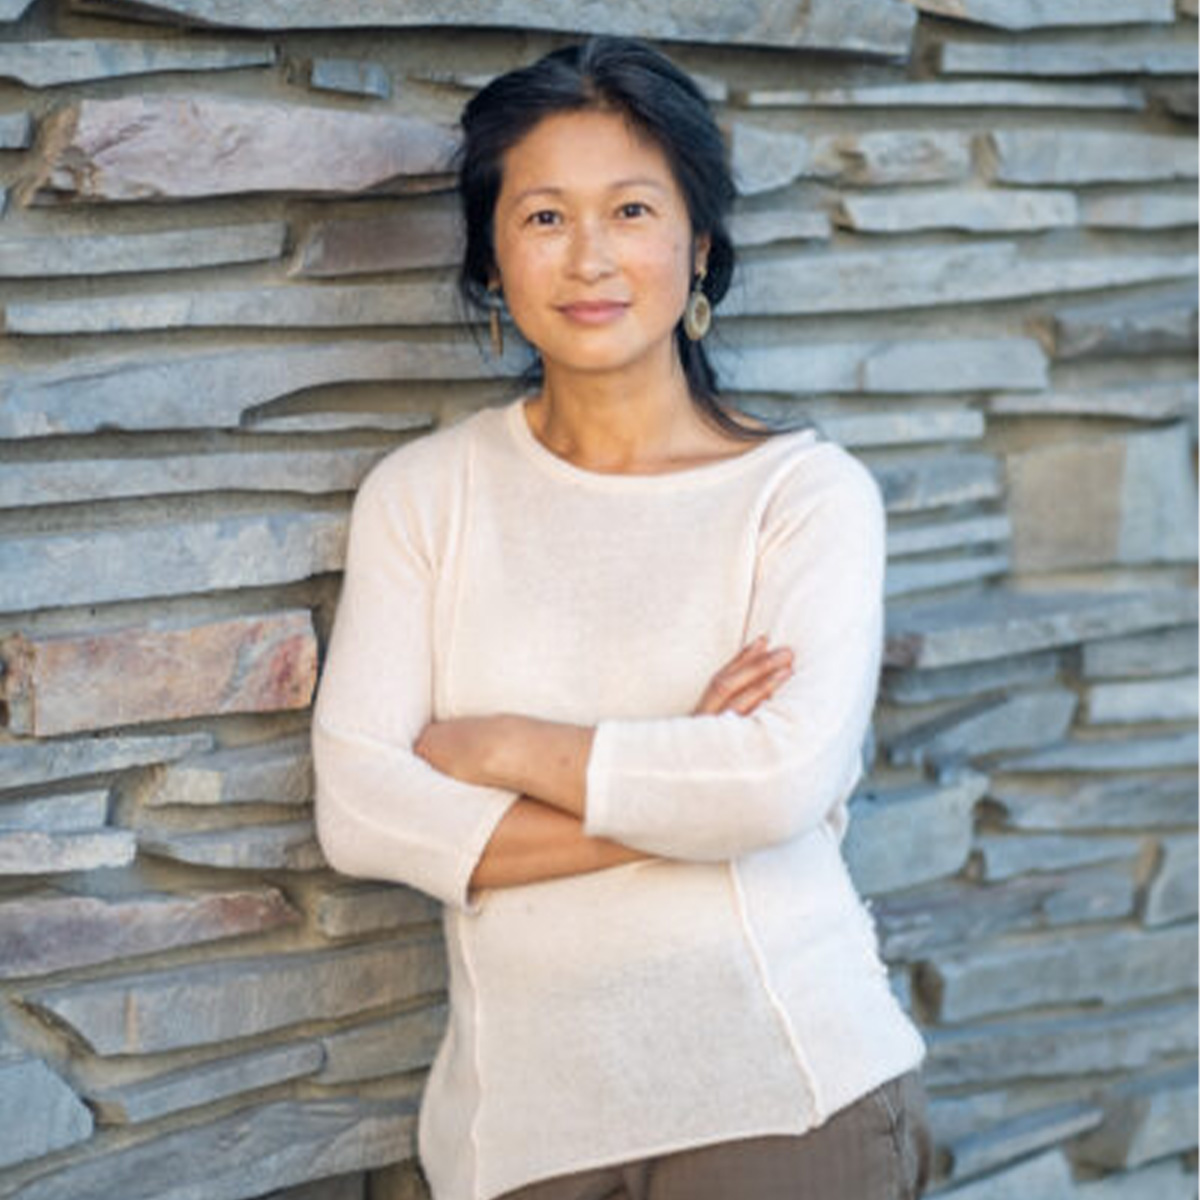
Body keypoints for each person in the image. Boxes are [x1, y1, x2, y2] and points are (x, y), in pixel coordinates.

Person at [312, 35, 934, 1200]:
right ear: (491, 260)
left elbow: (775, 784)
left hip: (786, 1097)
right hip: (522, 1133)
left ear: (699, 245)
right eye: (543, 217)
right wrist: (680, 787)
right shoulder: (424, 495)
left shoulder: (803, 496)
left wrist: (501, 751)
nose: (589, 257)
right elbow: (363, 812)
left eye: (632, 209)